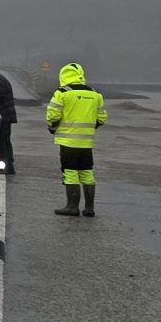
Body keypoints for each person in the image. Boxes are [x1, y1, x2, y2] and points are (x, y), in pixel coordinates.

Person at [44, 63, 108, 216]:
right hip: (87, 142)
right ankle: (89, 208)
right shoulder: (95, 94)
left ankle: (72, 207)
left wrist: (53, 130)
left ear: (63, 76)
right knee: (87, 172)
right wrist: (88, 130)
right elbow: (102, 118)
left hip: (68, 141)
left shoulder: (62, 93)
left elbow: (52, 116)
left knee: (70, 172)